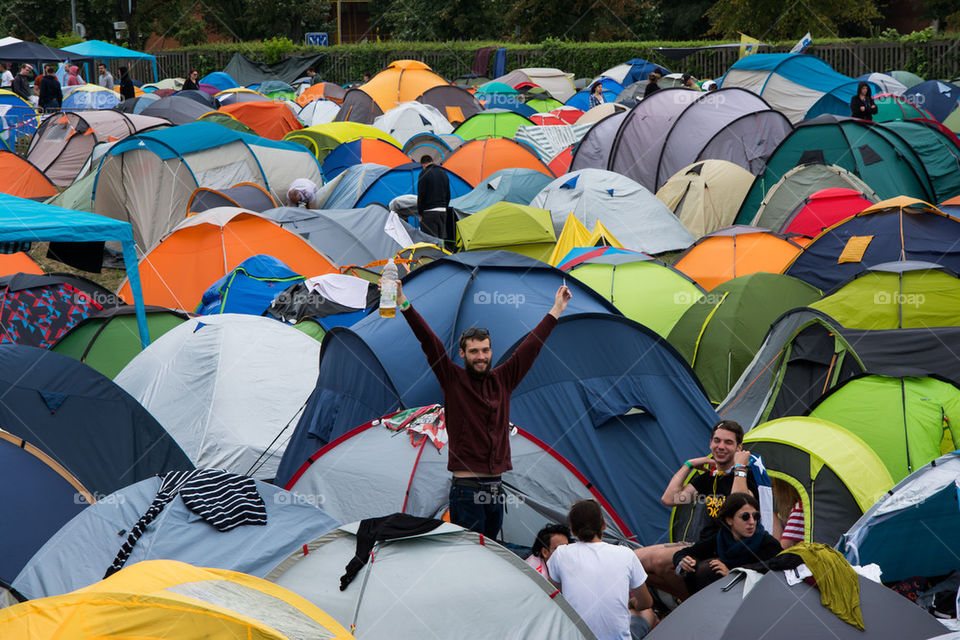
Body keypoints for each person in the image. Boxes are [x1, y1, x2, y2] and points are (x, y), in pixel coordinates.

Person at [393, 280, 571, 538]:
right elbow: (428, 341)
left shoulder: (504, 378)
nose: (481, 356)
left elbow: (531, 346)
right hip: (466, 490)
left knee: (494, 556)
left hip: (496, 490)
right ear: (463, 354)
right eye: (474, 351)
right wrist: (403, 302)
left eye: (485, 350)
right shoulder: (452, 379)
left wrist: (556, 309)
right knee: (472, 559)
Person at [634, 420, 757, 599]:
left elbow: (739, 505)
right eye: (716, 441)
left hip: (726, 549)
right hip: (702, 544)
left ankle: (691, 603)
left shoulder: (747, 476)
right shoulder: (707, 478)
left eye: (728, 442)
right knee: (633, 559)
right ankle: (687, 602)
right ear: (710, 443)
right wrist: (688, 465)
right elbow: (669, 499)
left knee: (658, 561)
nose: (720, 446)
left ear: (739, 448)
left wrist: (740, 468)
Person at [548, 499, 655, 640]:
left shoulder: (560, 554)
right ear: (604, 525)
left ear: (572, 530)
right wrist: (633, 603)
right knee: (647, 612)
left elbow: (552, 594)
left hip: (574, 634)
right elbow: (646, 602)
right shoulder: (626, 554)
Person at [673, 492, 782, 595]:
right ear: (729, 520)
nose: (752, 522)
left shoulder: (767, 543)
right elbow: (684, 553)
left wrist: (733, 573)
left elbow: (772, 571)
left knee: (710, 570)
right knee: (697, 566)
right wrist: (684, 561)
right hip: (726, 594)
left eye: (756, 516)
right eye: (745, 517)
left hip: (759, 595)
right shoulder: (721, 538)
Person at [416, 155, 452, 243]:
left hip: (429, 213)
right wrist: (445, 208)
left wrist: (420, 212)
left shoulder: (424, 173)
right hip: (443, 211)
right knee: (441, 241)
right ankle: (442, 256)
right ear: (432, 161)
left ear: (423, 165)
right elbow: (448, 194)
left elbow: (421, 195)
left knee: (430, 241)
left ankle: (433, 257)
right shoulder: (443, 173)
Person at [771, 478, 804, 548]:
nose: (771, 491)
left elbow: (782, 549)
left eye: (772, 486)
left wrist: (773, 518)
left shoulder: (800, 508)